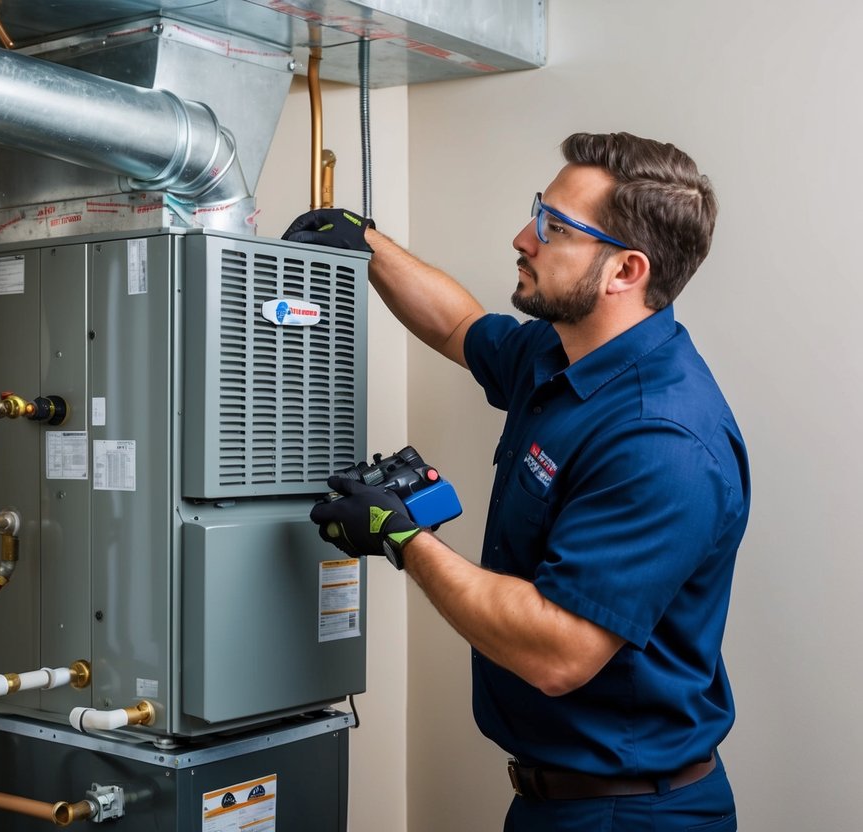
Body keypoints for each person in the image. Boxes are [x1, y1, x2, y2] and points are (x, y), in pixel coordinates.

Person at [284, 132, 749, 831]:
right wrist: (367, 243)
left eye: (554, 228)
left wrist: (400, 535)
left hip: (628, 816)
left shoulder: (660, 441)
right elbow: (460, 328)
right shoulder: (563, 354)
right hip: (553, 802)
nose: (522, 238)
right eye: (540, 212)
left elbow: (557, 650)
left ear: (624, 270)